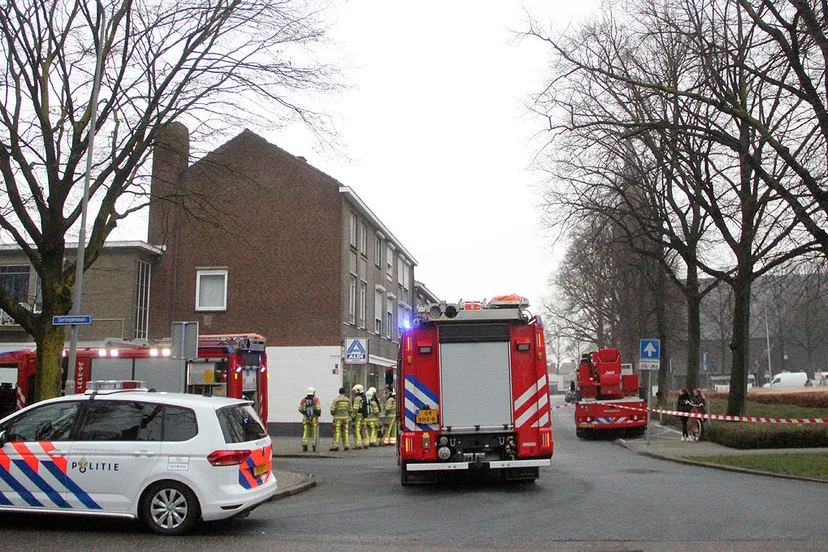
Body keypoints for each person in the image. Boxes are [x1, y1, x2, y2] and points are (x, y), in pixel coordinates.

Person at [298, 387, 322, 452]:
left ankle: (305, 445)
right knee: (314, 432)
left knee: (306, 431)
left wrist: (304, 413)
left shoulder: (303, 400)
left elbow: (299, 409)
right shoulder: (316, 400)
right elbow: (318, 409)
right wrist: (318, 414)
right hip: (314, 418)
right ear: (313, 393)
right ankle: (314, 446)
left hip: (306, 418)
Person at [329, 387, 352, 451]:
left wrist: (334, 414)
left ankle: (335, 446)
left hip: (337, 418)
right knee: (345, 431)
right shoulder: (348, 400)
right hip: (345, 418)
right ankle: (346, 445)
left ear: (339, 392)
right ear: (344, 392)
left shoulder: (336, 400)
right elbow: (350, 410)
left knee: (337, 432)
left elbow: (332, 410)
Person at [351, 384, 368, 449]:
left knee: (357, 430)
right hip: (363, 416)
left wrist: (353, 416)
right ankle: (366, 443)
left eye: (355, 391)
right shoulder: (363, 397)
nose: (354, 392)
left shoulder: (357, 399)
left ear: (358, 391)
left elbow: (355, 409)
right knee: (363, 430)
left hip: (358, 416)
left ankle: (358, 445)